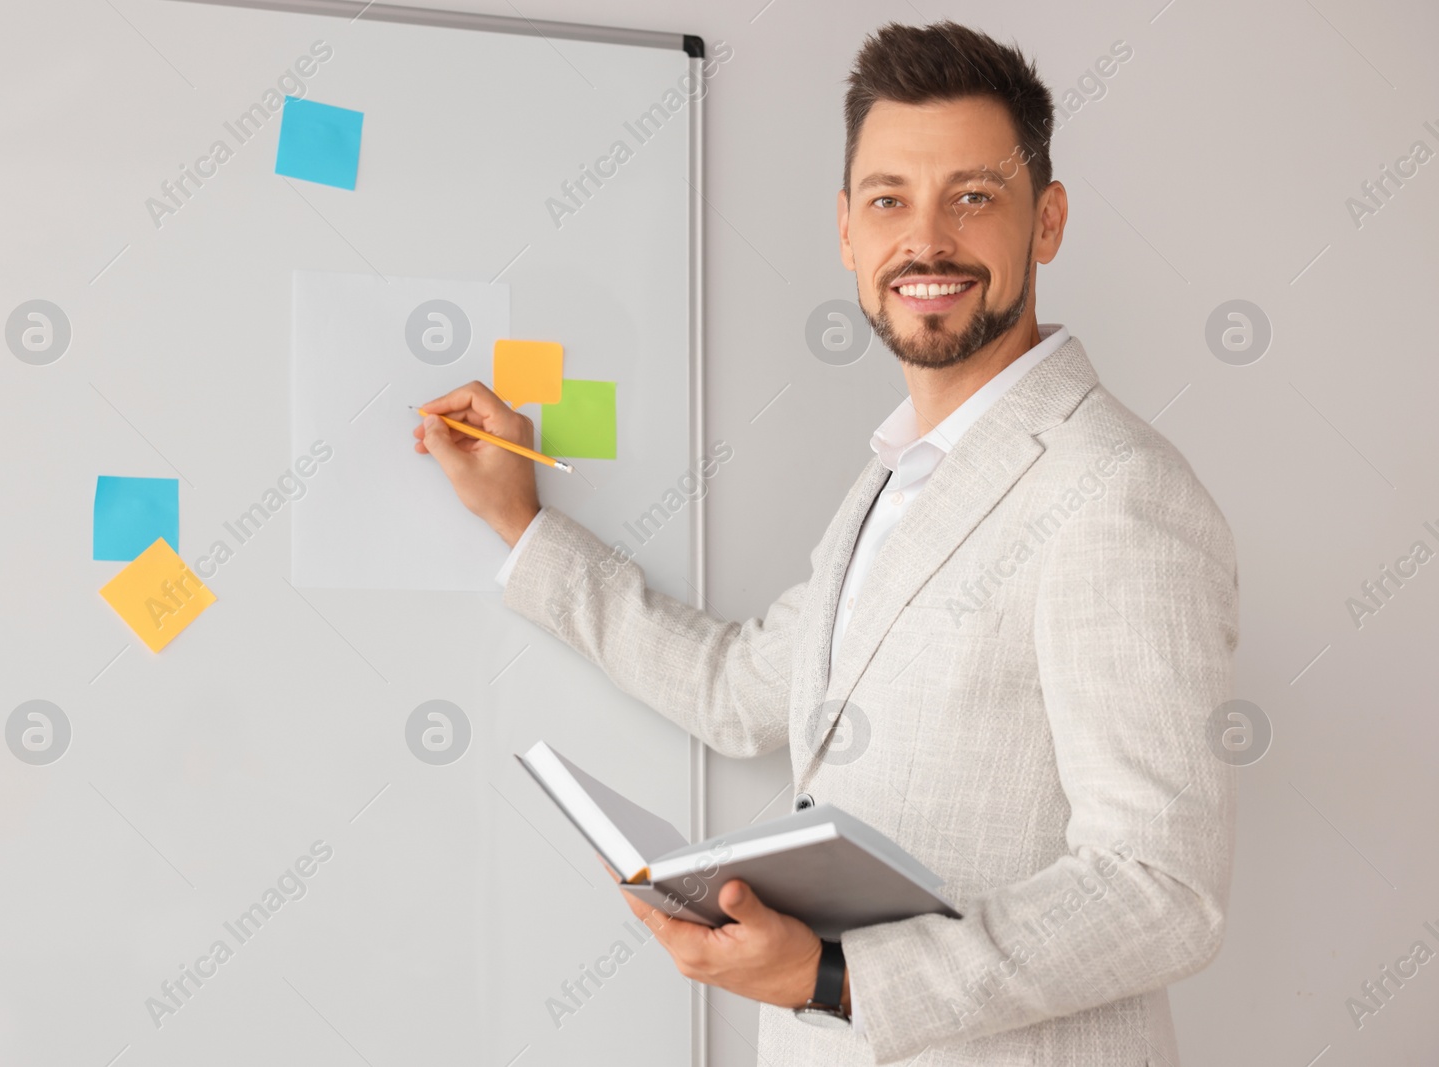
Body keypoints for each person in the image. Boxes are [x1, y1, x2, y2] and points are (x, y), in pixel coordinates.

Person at [412, 20, 1237, 1067]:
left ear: (1048, 221)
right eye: (890, 199)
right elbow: (740, 686)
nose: (926, 240)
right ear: (847, 230)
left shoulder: (1116, 492)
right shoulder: (894, 480)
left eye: (973, 196)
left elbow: (1159, 891)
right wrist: (518, 523)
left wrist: (831, 977)